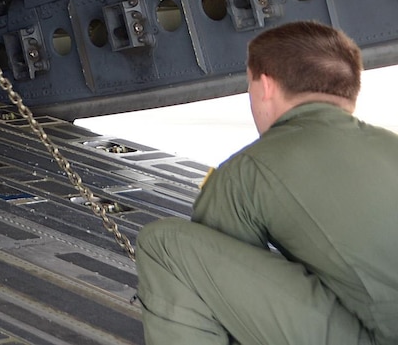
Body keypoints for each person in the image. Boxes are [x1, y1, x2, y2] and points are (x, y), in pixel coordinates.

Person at [136, 21, 398, 344]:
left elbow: (213, 295)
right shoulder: (390, 145)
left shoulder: (248, 171)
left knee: (165, 246)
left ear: (266, 87)